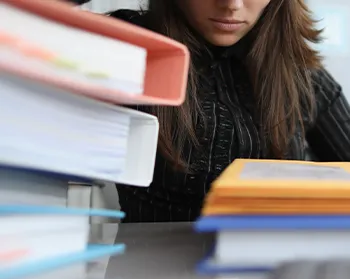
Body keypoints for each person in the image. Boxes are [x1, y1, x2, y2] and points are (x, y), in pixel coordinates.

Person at [109, 0, 350, 223]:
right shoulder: (125, 46)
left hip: (279, 262)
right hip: (146, 263)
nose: (232, 4)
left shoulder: (299, 72)